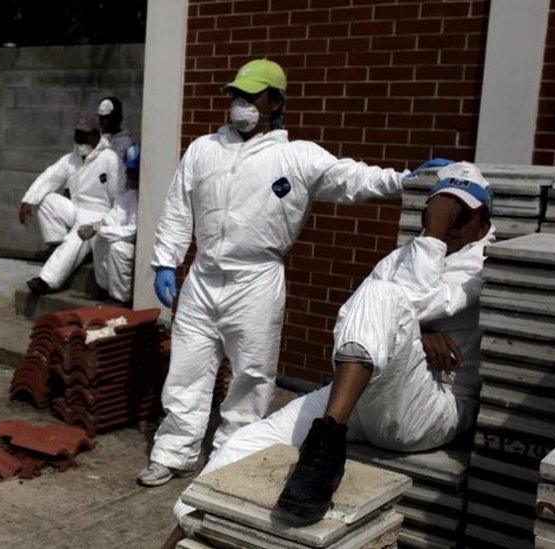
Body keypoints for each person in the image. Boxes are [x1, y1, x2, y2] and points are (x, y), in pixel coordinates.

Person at [138, 58, 452, 487]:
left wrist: (404, 180)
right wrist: (165, 261)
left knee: (251, 375)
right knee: (187, 370)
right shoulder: (204, 150)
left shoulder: (297, 156)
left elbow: (351, 178)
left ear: (275, 101)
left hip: (256, 281)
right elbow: (177, 208)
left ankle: (229, 457)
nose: (241, 104)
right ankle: (173, 452)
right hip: (203, 277)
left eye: (252, 96)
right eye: (236, 96)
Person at [169, 162, 495, 538]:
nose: (447, 226)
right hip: (372, 396)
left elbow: (412, 300)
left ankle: (324, 451)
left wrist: (433, 238)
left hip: (431, 407)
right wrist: (416, 332)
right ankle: (181, 532)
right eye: (439, 214)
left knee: (382, 294)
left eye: (460, 217)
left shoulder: (483, 266)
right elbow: (349, 323)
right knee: (245, 442)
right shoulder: (400, 258)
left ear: (482, 226)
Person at [19, 115, 125, 295]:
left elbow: (118, 197)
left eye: (84, 136)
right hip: (75, 208)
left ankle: (48, 281)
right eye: (77, 136)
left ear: (95, 135)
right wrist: (29, 200)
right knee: (47, 200)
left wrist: (108, 224)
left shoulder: (110, 159)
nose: (80, 140)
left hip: (98, 213)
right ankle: (56, 245)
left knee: (76, 237)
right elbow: (50, 176)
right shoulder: (72, 158)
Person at [79, 144, 140, 302]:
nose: (130, 174)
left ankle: (121, 299)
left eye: (134, 171)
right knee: (98, 240)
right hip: (121, 237)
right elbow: (113, 217)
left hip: (139, 245)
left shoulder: (146, 198)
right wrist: (95, 226)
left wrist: (102, 231)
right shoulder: (128, 195)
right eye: (129, 171)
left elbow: (134, 232)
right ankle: (104, 288)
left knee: (118, 248)